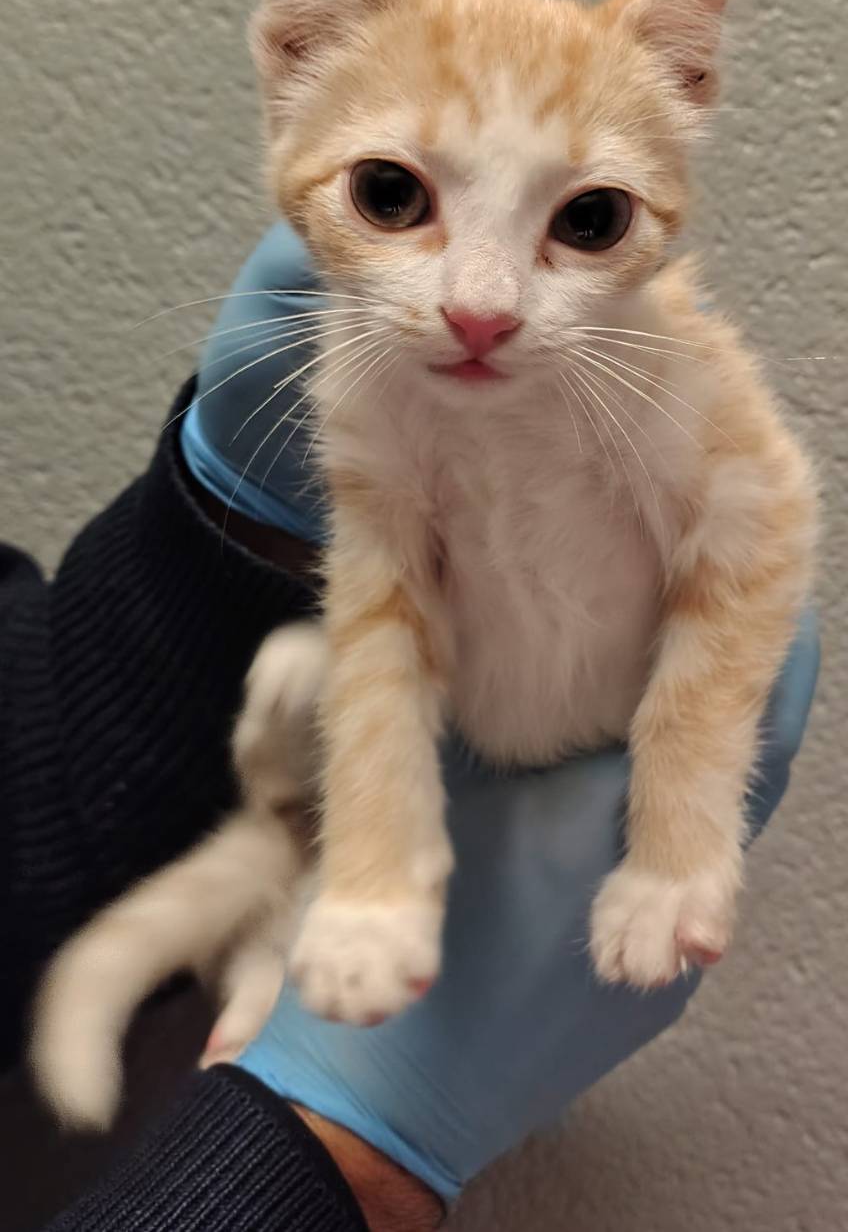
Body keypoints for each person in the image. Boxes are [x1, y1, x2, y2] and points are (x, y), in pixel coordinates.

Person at [0, 223, 818, 1231]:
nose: (479, 303)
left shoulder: (644, 360)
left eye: (587, 216)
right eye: (391, 194)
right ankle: (281, 973)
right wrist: (327, 1155)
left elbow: (764, 513)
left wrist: (208, 542)